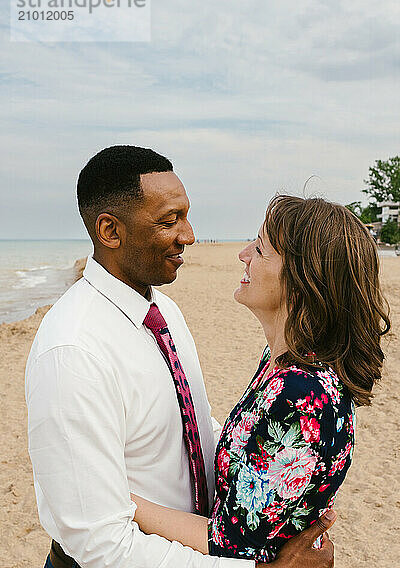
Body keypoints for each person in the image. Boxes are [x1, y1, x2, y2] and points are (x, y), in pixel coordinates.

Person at [26, 145, 336, 568]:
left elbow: (191, 427)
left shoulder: (163, 312)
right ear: (110, 231)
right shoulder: (74, 350)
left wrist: (278, 495)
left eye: (186, 215)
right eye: (169, 221)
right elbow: (101, 544)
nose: (189, 235)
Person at [126, 194, 390, 561]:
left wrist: (122, 498)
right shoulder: (281, 361)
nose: (243, 253)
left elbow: (227, 541)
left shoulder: (302, 394)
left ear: (302, 281)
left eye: (261, 249)